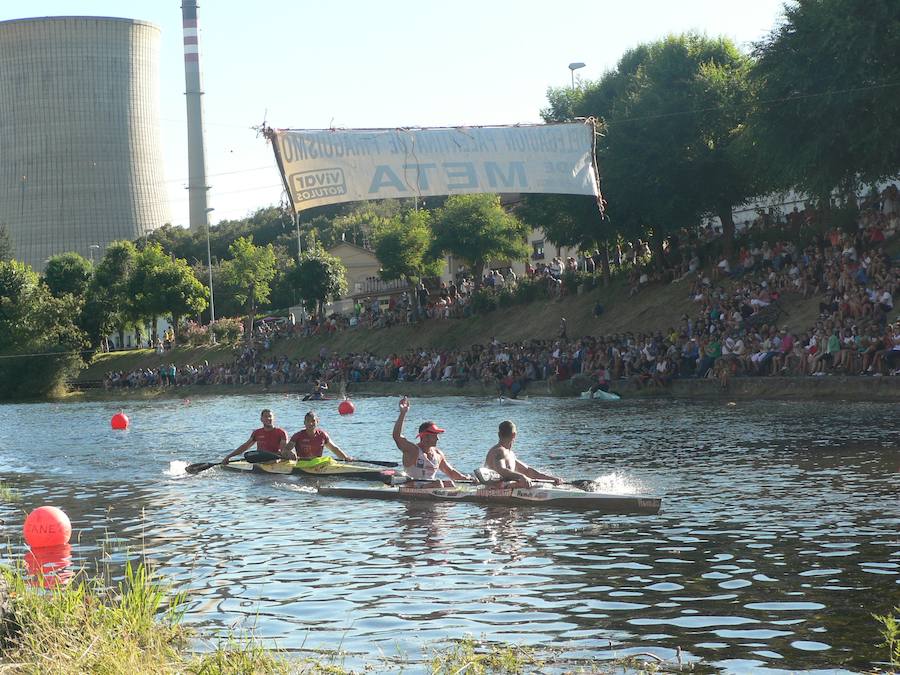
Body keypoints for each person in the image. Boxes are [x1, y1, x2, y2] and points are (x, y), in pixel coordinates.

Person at [392, 396, 470, 485]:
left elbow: (451, 472)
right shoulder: (413, 450)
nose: (437, 438)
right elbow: (397, 436)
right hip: (412, 489)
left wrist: (469, 479)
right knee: (439, 483)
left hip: (431, 488)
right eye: (434, 435)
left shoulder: (438, 454)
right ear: (425, 437)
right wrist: (403, 413)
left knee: (449, 483)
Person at [483, 421, 563, 487]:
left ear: (499, 434)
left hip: (506, 487)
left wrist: (551, 479)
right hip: (494, 490)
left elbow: (528, 471)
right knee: (531, 485)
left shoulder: (510, 454)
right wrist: (522, 476)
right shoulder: (499, 451)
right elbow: (501, 470)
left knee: (537, 484)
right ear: (514, 435)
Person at [222, 409, 288, 464]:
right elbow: (245, 446)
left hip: (274, 459)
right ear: (261, 419)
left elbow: (284, 450)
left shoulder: (281, 432)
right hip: (259, 459)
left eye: (270, 416)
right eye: (265, 416)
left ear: (273, 419)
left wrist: (283, 458)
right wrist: (229, 456)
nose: (268, 418)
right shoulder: (257, 432)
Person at [284, 410, 353, 461]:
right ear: (304, 423)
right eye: (308, 421)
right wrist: (290, 453)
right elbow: (285, 450)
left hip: (317, 464)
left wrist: (345, 458)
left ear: (317, 422)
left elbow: (334, 448)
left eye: (313, 421)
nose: (311, 423)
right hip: (302, 464)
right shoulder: (297, 436)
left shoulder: (322, 435)